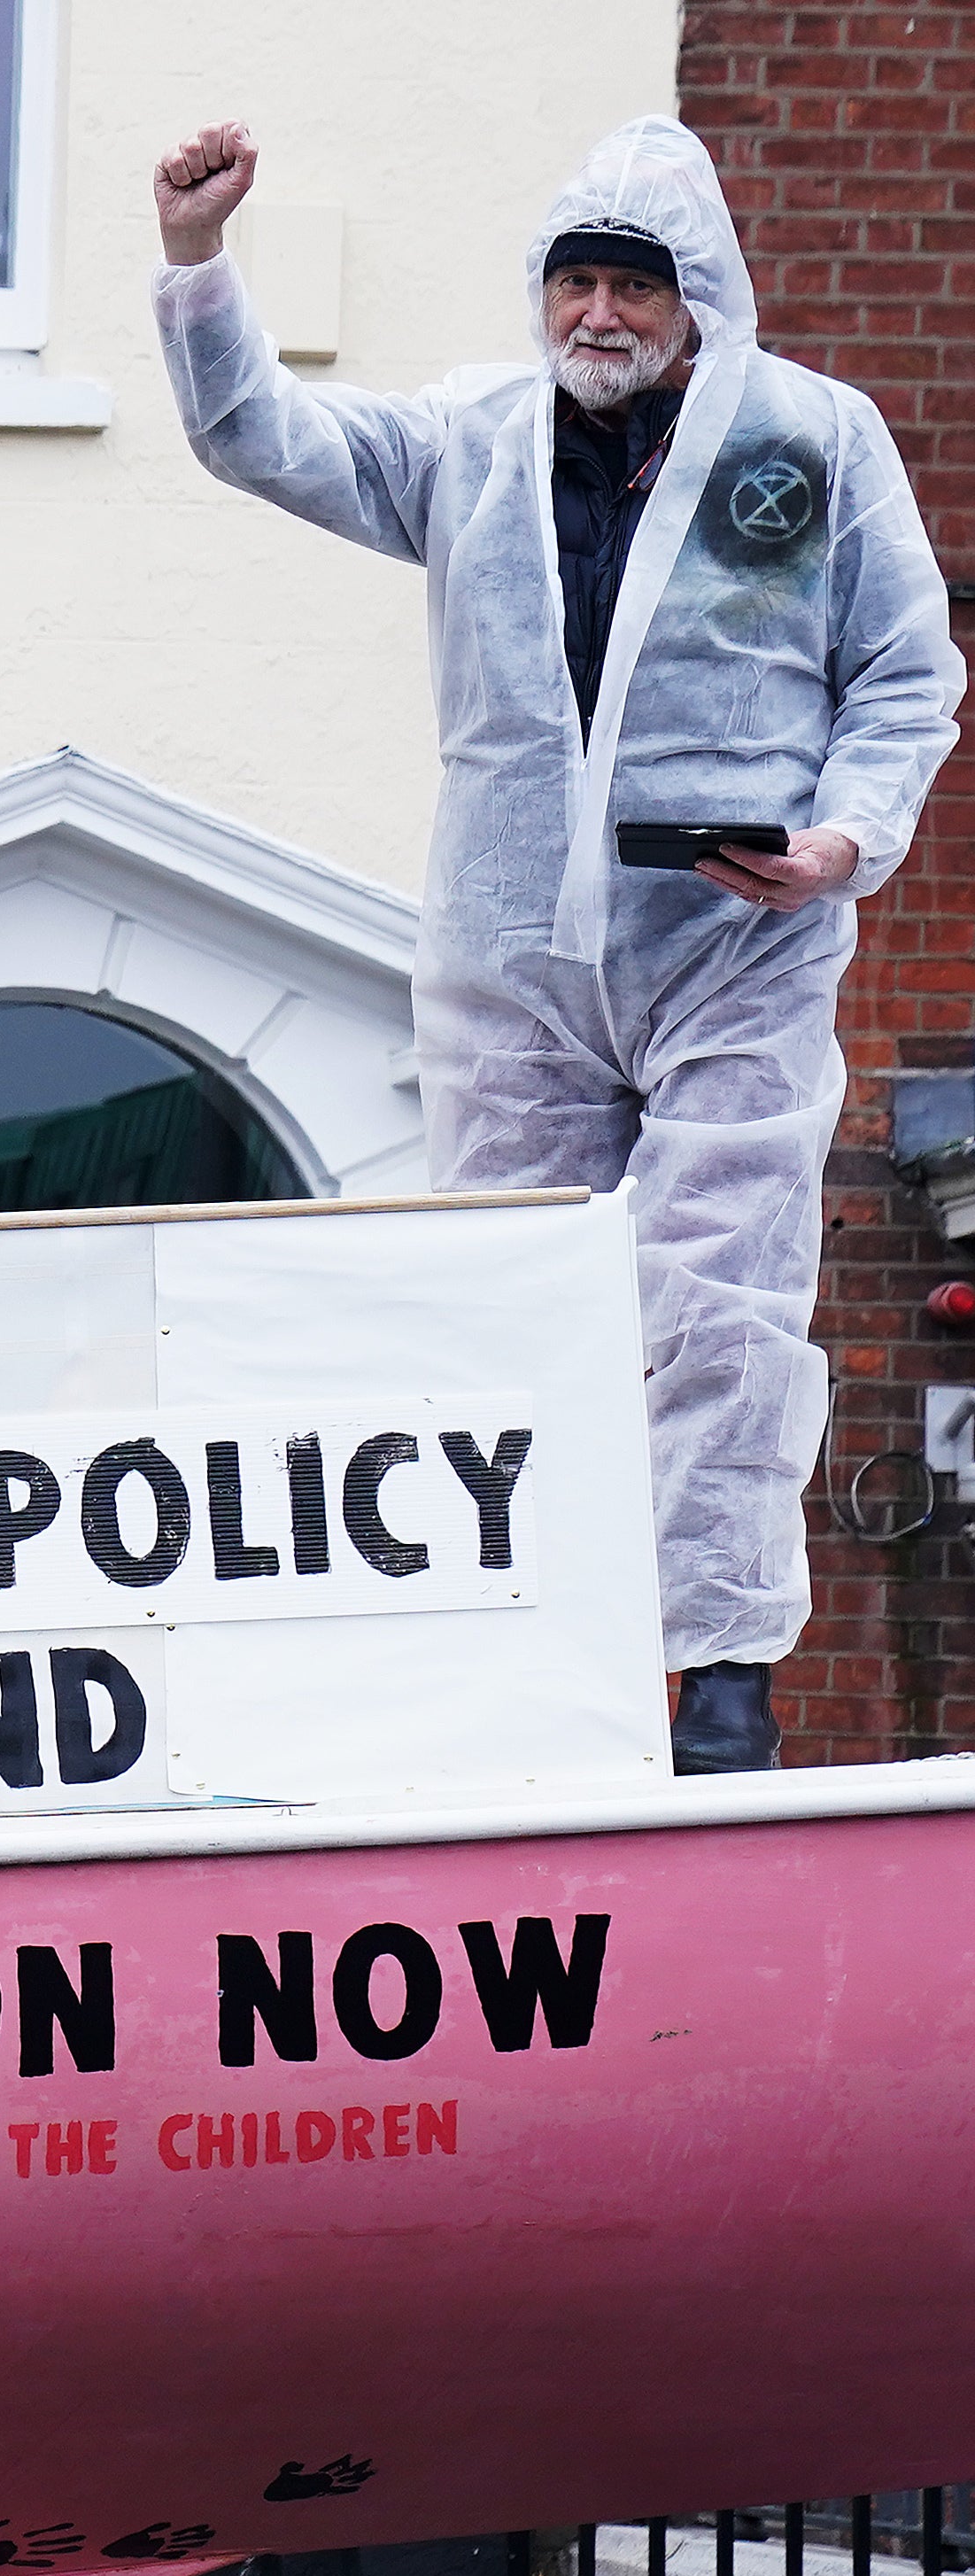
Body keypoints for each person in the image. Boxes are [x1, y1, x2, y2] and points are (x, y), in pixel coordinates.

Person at [151, 116, 962, 1773]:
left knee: (716, 1296)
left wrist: (838, 840)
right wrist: (195, 265)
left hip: (732, 936)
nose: (594, 313)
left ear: (696, 300)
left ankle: (718, 1675)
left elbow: (899, 669)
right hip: (511, 953)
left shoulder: (809, 439)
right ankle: (515, 1664)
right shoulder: (471, 439)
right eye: (571, 280)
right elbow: (260, 435)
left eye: (628, 285)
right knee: (498, 1300)